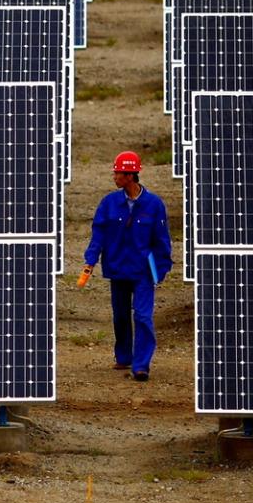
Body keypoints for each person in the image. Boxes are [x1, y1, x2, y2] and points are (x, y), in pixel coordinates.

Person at [80, 150, 172, 381]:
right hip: (118, 268)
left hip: (143, 272)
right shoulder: (109, 203)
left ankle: (141, 366)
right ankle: (124, 356)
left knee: (142, 316)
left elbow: (162, 240)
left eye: (117, 172)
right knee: (120, 316)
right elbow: (98, 234)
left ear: (130, 176)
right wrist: (91, 259)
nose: (114, 176)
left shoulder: (153, 205)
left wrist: (161, 269)